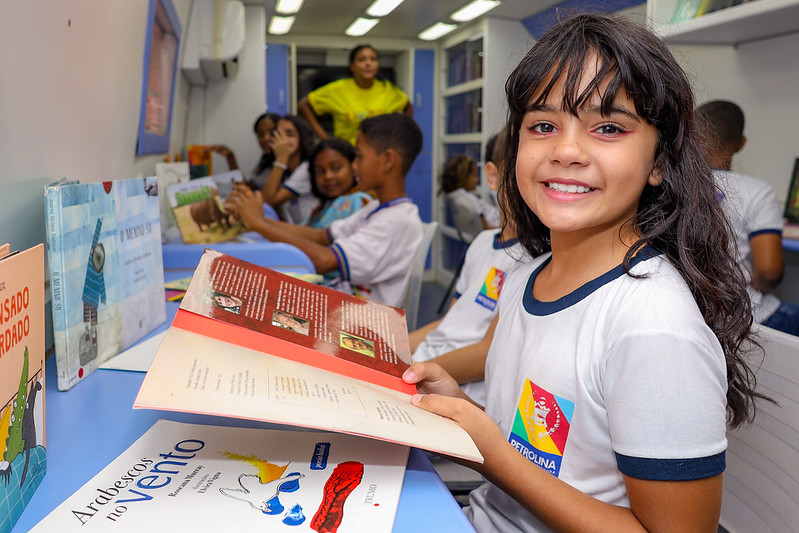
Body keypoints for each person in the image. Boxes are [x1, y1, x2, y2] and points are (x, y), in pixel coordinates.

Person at [402, 13, 763, 532]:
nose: (566, 151)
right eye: (543, 126)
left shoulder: (653, 327)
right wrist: (456, 405)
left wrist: (489, 453)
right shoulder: (529, 276)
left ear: (659, 161)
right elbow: (544, 448)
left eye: (609, 128)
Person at [225, 113, 423, 308]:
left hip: (361, 325)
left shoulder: (396, 220)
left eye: (359, 157)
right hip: (344, 307)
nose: (354, 166)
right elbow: (320, 236)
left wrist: (260, 225)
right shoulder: (376, 208)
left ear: (388, 160)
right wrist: (257, 220)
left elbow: (325, 260)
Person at [410, 131, 526, 407]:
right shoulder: (483, 242)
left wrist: (412, 370)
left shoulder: (537, 260)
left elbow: (487, 353)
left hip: (459, 392)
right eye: (520, 171)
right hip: (426, 368)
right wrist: (392, 348)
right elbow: (448, 322)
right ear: (493, 176)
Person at [696, 99, 799, 336]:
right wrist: (756, 282)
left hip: (694, 313)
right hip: (744, 316)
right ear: (741, 144)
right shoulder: (757, 192)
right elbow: (770, 271)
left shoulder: (668, 187)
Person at [298, 44, 412, 145]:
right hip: (348, 153)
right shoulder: (338, 89)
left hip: (379, 154)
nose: (368, 63)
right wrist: (324, 138)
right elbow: (303, 105)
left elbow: (408, 105)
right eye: (362, 60)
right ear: (352, 66)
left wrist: (399, 137)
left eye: (373, 59)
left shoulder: (388, 89)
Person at [255, 114, 317, 225]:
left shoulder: (306, 169)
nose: (282, 141)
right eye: (278, 134)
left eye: (290, 134)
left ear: (302, 138)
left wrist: (281, 159)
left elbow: (268, 201)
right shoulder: (285, 171)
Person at [306, 137, 372, 229]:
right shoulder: (318, 211)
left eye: (336, 168)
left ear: (353, 167)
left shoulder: (359, 201)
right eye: (320, 171)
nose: (328, 176)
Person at [210, 112, 280, 190]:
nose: (266, 138)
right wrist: (230, 157)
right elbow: (245, 189)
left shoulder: (286, 164)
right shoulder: (267, 165)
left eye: (272, 132)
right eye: (260, 134)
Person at [441, 155, 500, 233]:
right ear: (464, 177)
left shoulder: (457, 197)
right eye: (475, 175)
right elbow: (486, 228)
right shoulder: (469, 200)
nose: (477, 179)